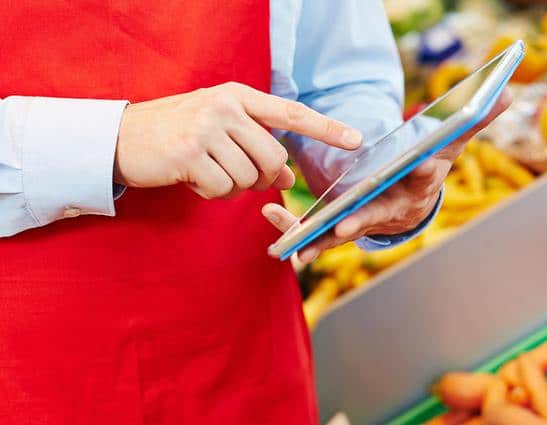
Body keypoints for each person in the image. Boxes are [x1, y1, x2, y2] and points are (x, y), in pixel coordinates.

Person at [0, 1, 509, 424]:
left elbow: (333, 75)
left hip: (245, 355)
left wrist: (367, 165)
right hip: (28, 379)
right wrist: (112, 139)